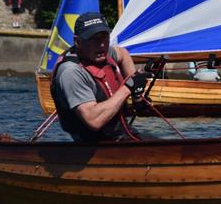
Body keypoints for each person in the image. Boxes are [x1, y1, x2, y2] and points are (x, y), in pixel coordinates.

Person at [51, 12, 150, 142]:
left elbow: (123, 54)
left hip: (121, 135)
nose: (102, 45)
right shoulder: (71, 72)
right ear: (78, 41)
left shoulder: (100, 52)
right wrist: (128, 87)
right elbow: (94, 121)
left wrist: (137, 95)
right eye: (94, 39)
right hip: (93, 145)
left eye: (104, 37)